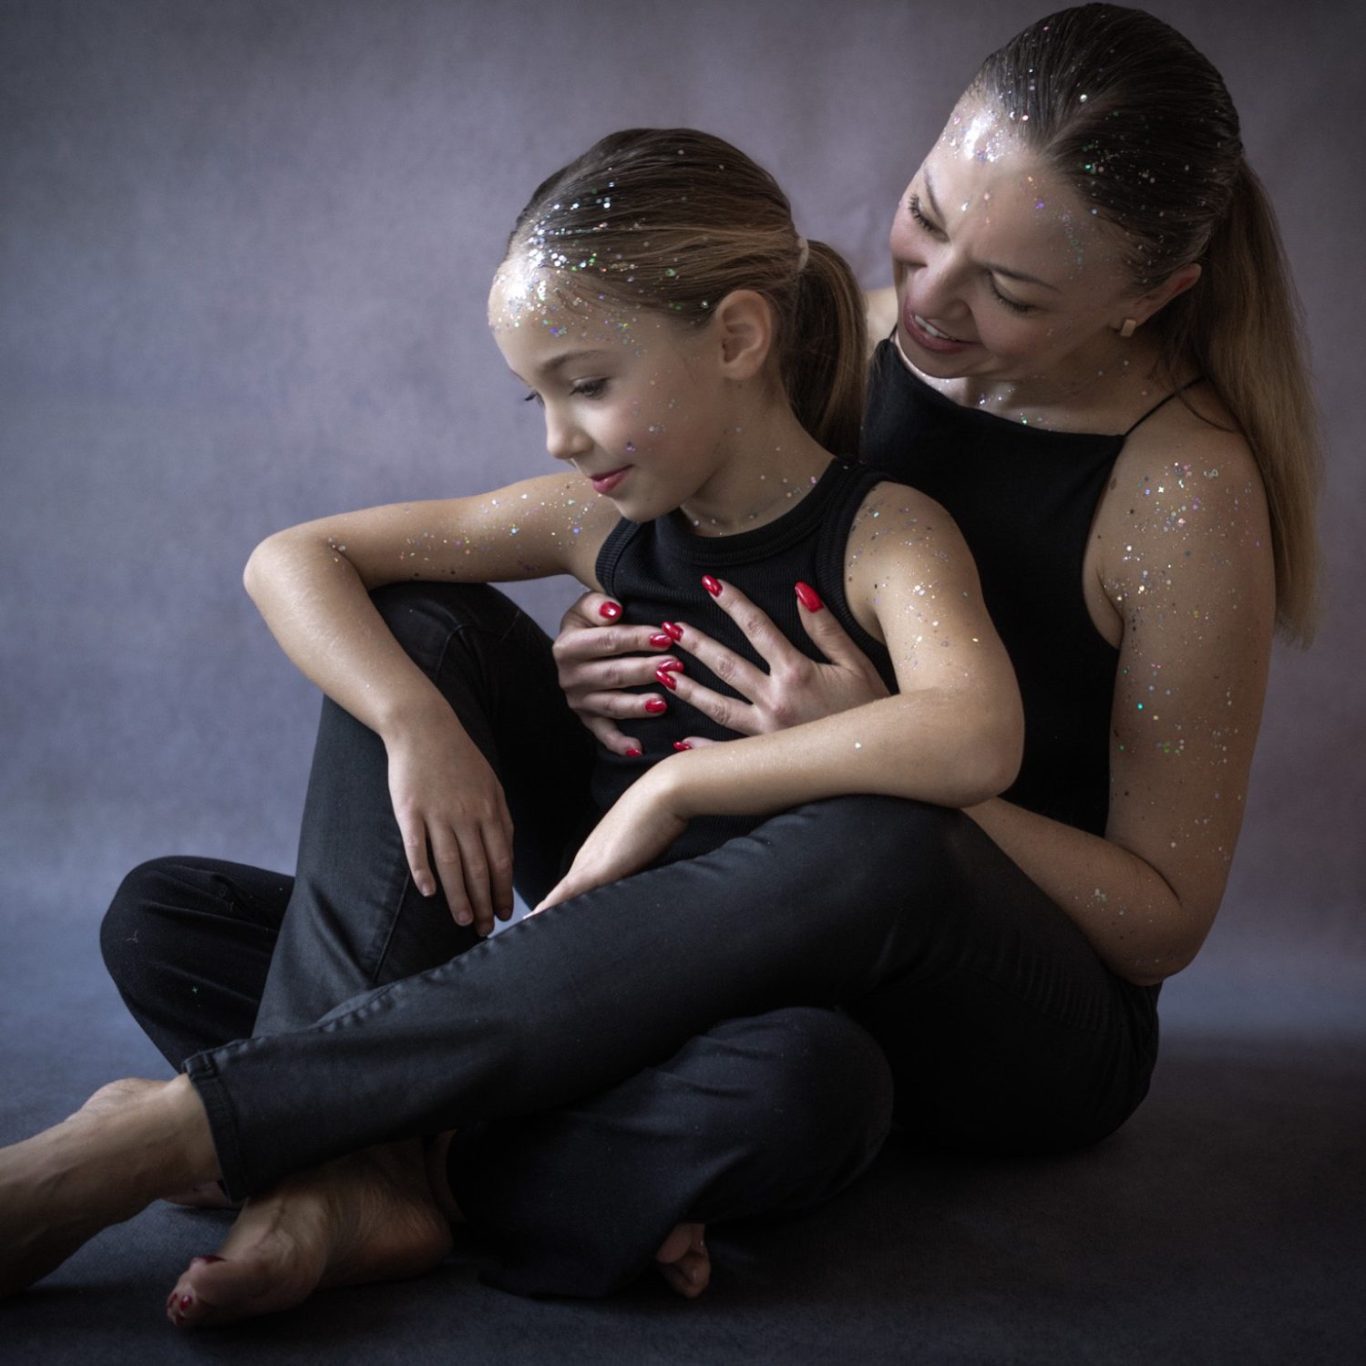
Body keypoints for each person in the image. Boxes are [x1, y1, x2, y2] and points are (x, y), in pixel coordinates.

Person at [2, 0, 1319, 1326]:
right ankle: (409, 1153)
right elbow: (703, 522)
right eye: (924, 220)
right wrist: (602, 645)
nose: (926, 299)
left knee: (872, 847)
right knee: (198, 892)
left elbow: (1159, 918)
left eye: (1009, 290)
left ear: (1152, 297)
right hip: (749, 927)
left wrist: (898, 757)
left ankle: (196, 1129)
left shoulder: (1183, 494)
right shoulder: (847, 332)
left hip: (993, 995)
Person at [1, 125, 1023, 1318]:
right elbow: (294, 558)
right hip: (545, 974)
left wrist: (673, 788)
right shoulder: (587, 523)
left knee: (814, 1085)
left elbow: (975, 737)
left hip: (714, 1010)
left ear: (739, 338)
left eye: (587, 384)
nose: (555, 434)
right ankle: (412, 1157)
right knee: (168, 916)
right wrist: (414, 722)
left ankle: (359, 1151)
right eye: (536, 394)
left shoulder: (884, 533)